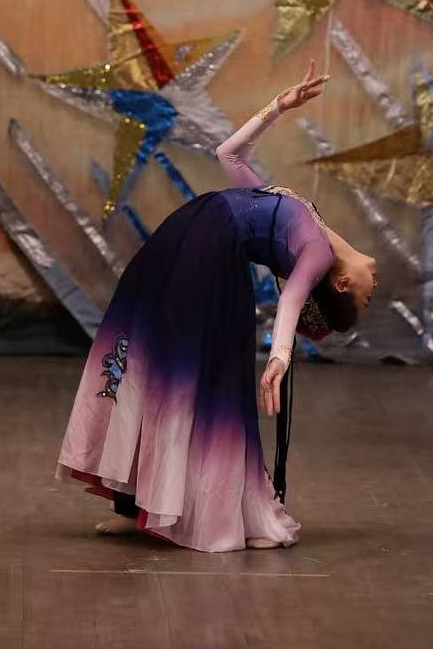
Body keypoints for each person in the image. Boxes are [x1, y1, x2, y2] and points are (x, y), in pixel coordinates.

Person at [56, 60, 378, 552]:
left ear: (340, 283)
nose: (374, 284)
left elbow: (291, 301)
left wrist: (279, 358)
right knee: (149, 361)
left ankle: (182, 510)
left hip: (203, 248)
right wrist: (278, 107)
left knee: (182, 375)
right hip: (188, 238)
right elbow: (228, 153)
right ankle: (138, 505)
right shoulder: (306, 220)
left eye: (367, 295)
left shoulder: (314, 251)